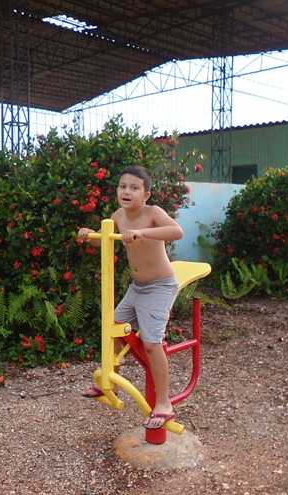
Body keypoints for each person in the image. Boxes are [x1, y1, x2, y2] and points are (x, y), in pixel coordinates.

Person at [77, 165, 184, 430]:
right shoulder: (118, 216)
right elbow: (103, 240)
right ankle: (109, 383)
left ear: (145, 194)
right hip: (137, 287)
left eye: (134, 188)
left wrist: (142, 233)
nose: (127, 191)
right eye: (123, 186)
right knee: (111, 329)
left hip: (160, 286)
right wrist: (87, 235)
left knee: (151, 343)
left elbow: (176, 232)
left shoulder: (152, 213)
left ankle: (163, 404)